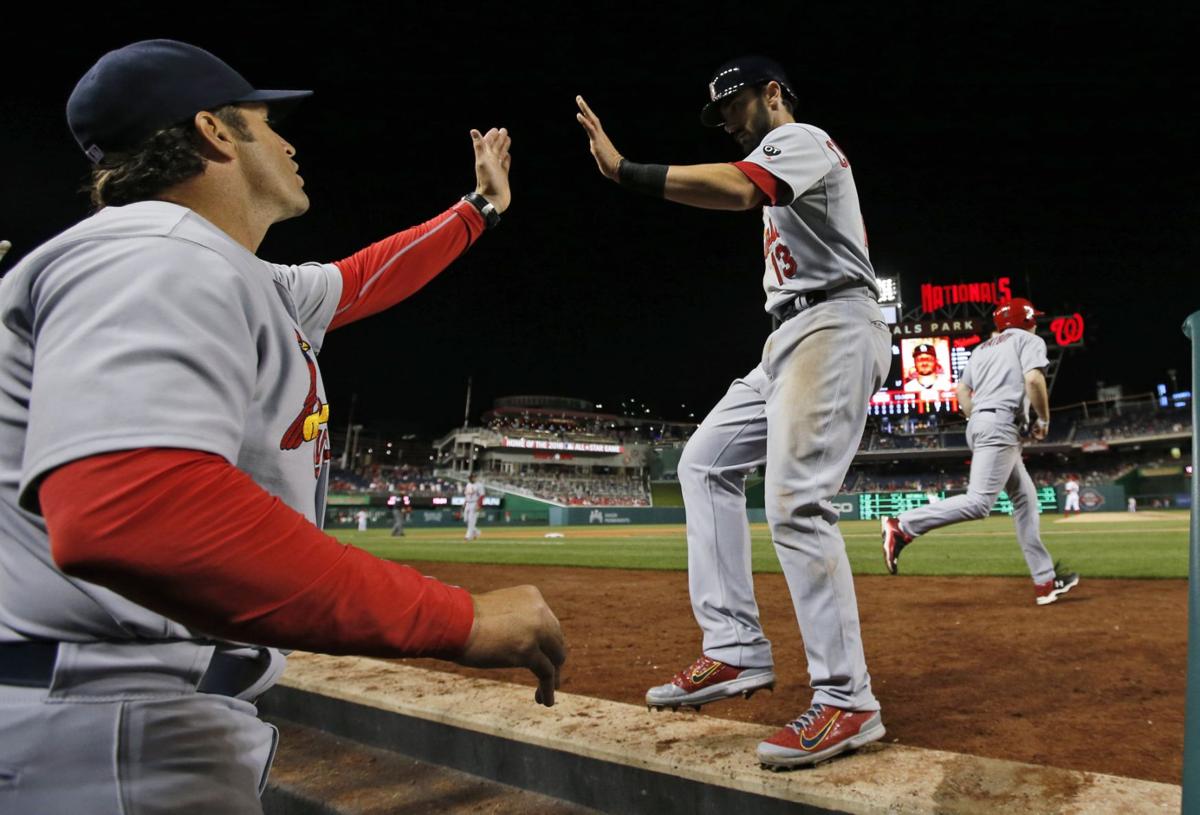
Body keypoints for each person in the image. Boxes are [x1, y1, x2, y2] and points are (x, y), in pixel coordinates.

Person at [0, 40, 565, 814]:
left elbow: (365, 276)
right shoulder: (153, 252)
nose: (290, 142)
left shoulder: (217, 268)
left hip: (121, 713)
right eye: (268, 123)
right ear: (215, 132)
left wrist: (483, 207)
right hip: (105, 732)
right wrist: (456, 618)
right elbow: (134, 513)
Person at [576, 55, 891, 769]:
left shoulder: (802, 138)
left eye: (734, 105)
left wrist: (626, 169)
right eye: (719, 112)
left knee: (795, 502)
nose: (725, 121)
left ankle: (848, 699)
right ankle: (735, 647)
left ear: (772, 94)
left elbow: (741, 193)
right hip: (787, 337)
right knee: (704, 462)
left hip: (835, 325)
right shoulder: (774, 152)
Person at [882, 298, 1080, 606]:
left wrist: (979, 417)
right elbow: (1033, 379)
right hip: (999, 424)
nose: (1036, 323)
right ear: (1026, 320)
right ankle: (903, 525)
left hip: (983, 423)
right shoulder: (1029, 339)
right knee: (979, 503)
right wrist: (1043, 419)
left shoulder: (982, 349)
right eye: (1034, 319)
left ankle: (1045, 582)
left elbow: (962, 391)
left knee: (1026, 501)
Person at [464, 473, 484, 541]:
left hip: (474, 503)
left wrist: (479, 505)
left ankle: (468, 536)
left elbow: (482, 496)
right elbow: (466, 495)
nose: (471, 478)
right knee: (466, 520)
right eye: (470, 477)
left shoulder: (479, 485)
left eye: (473, 477)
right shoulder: (468, 484)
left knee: (471, 521)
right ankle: (476, 532)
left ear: (475, 478)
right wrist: (464, 503)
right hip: (468, 503)